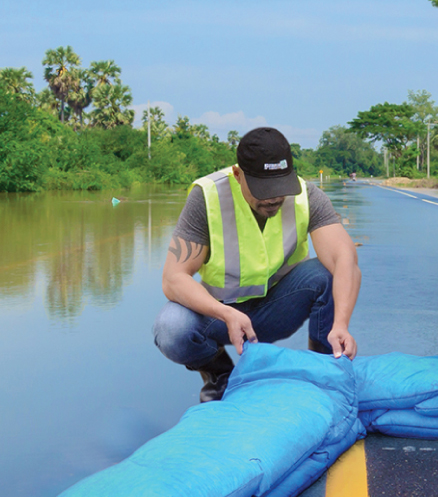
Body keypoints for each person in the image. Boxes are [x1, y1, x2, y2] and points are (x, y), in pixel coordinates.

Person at [153, 127, 361, 402]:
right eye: (264, 189)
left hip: (279, 308)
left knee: (328, 273)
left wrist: (341, 325)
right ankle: (221, 379)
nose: (274, 199)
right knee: (171, 328)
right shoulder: (208, 197)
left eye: (280, 187)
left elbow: (345, 258)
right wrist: (225, 314)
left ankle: (323, 369)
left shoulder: (306, 195)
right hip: (221, 315)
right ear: (238, 175)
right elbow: (173, 278)